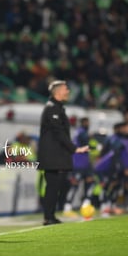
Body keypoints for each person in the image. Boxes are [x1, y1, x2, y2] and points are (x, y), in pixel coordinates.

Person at [37, 80, 89, 226]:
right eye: (66, 89)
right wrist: (74, 148)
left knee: (55, 186)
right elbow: (58, 132)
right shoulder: (52, 108)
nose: (68, 92)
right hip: (52, 156)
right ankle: (48, 217)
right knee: (53, 186)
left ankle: (50, 215)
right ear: (58, 92)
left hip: (55, 156)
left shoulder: (57, 108)